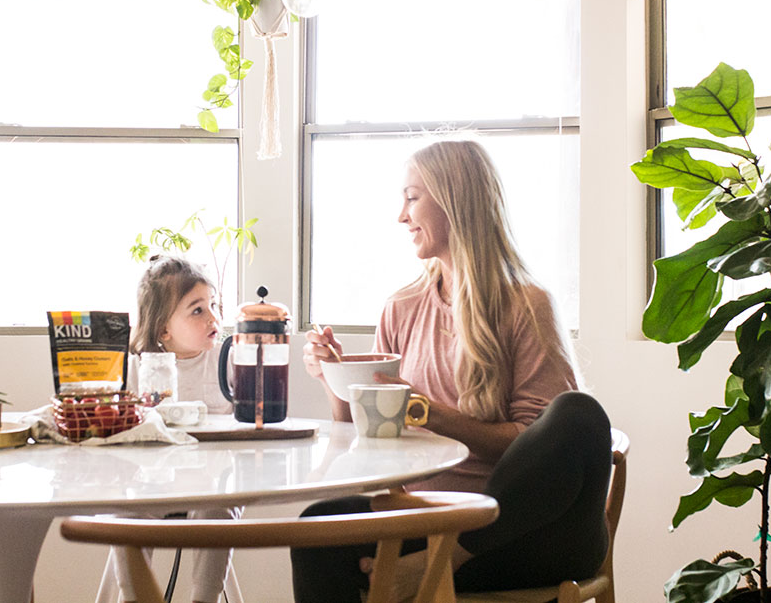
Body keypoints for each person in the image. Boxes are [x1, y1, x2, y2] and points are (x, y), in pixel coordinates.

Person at [292, 140, 611, 602]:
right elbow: (371, 443)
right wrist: (333, 380)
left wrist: (427, 412)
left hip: (530, 534)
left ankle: (440, 561)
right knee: (318, 528)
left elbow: (539, 446)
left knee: (578, 415)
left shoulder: (527, 304)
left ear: (456, 202)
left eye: (412, 197)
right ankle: (436, 556)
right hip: (432, 515)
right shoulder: (400, 308)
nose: (401, 216)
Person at [94, 255, 238, 603]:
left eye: (213, 306)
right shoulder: (137, 368)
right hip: (150, 484)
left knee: (217, 509)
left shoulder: (229, 359)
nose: (213, 318)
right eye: (197, 310)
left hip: (216, 484)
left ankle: (204, 598)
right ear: (163, 329)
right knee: (124, 512)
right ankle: (136, 596)